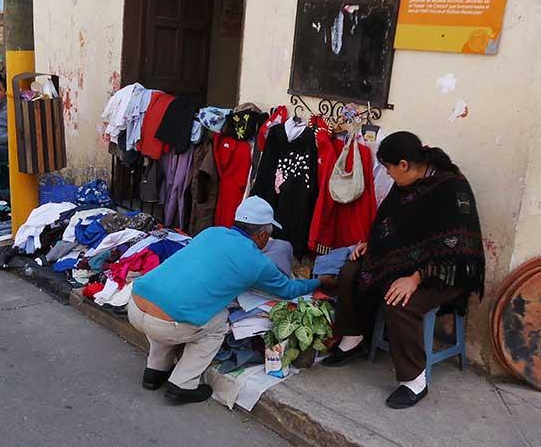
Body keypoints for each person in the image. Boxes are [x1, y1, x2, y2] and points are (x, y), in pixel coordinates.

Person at [321, 131, 485, 409]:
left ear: (404, 165)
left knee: (399, 302)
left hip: (447, 271)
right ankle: (353, 338)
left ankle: (414, 380)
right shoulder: (405, 184)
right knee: (352, 271)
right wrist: (369, 245)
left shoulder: (451, 187)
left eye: (388, 168)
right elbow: (390, 227)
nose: (387, 173)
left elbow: (457, 246)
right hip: (406, 262)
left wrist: (416, 278)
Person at [128, 196, 331, 404]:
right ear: (261, 235)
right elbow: (287, 290)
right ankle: (182, 384)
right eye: (268, 237)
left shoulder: (211, 232)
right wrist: (318, 282)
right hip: (166, 323)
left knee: (173, 300)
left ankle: (154, 371)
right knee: (219, 321)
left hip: (135, 304)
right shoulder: (256, 261)